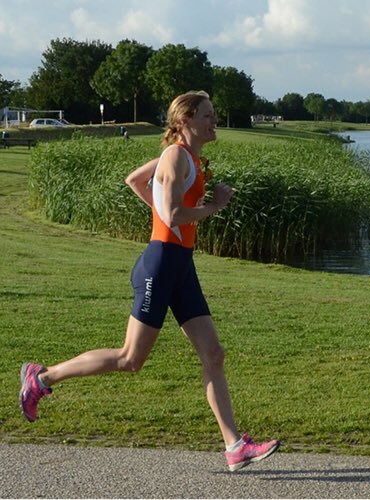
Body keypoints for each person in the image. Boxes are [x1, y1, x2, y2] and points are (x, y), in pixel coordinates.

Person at [19, 91, 280, 472]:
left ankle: (235, 447)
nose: (214, 121)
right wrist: (214, 206)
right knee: (130, 359)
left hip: (181, 266)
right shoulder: (175, 156)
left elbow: (135, 180)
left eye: (214, 115)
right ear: (185, 121)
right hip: (161, 264)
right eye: (207, 115)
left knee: (213, 354)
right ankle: (41, 378)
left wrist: (165, 210)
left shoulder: (186, 157)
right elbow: (172, 215)